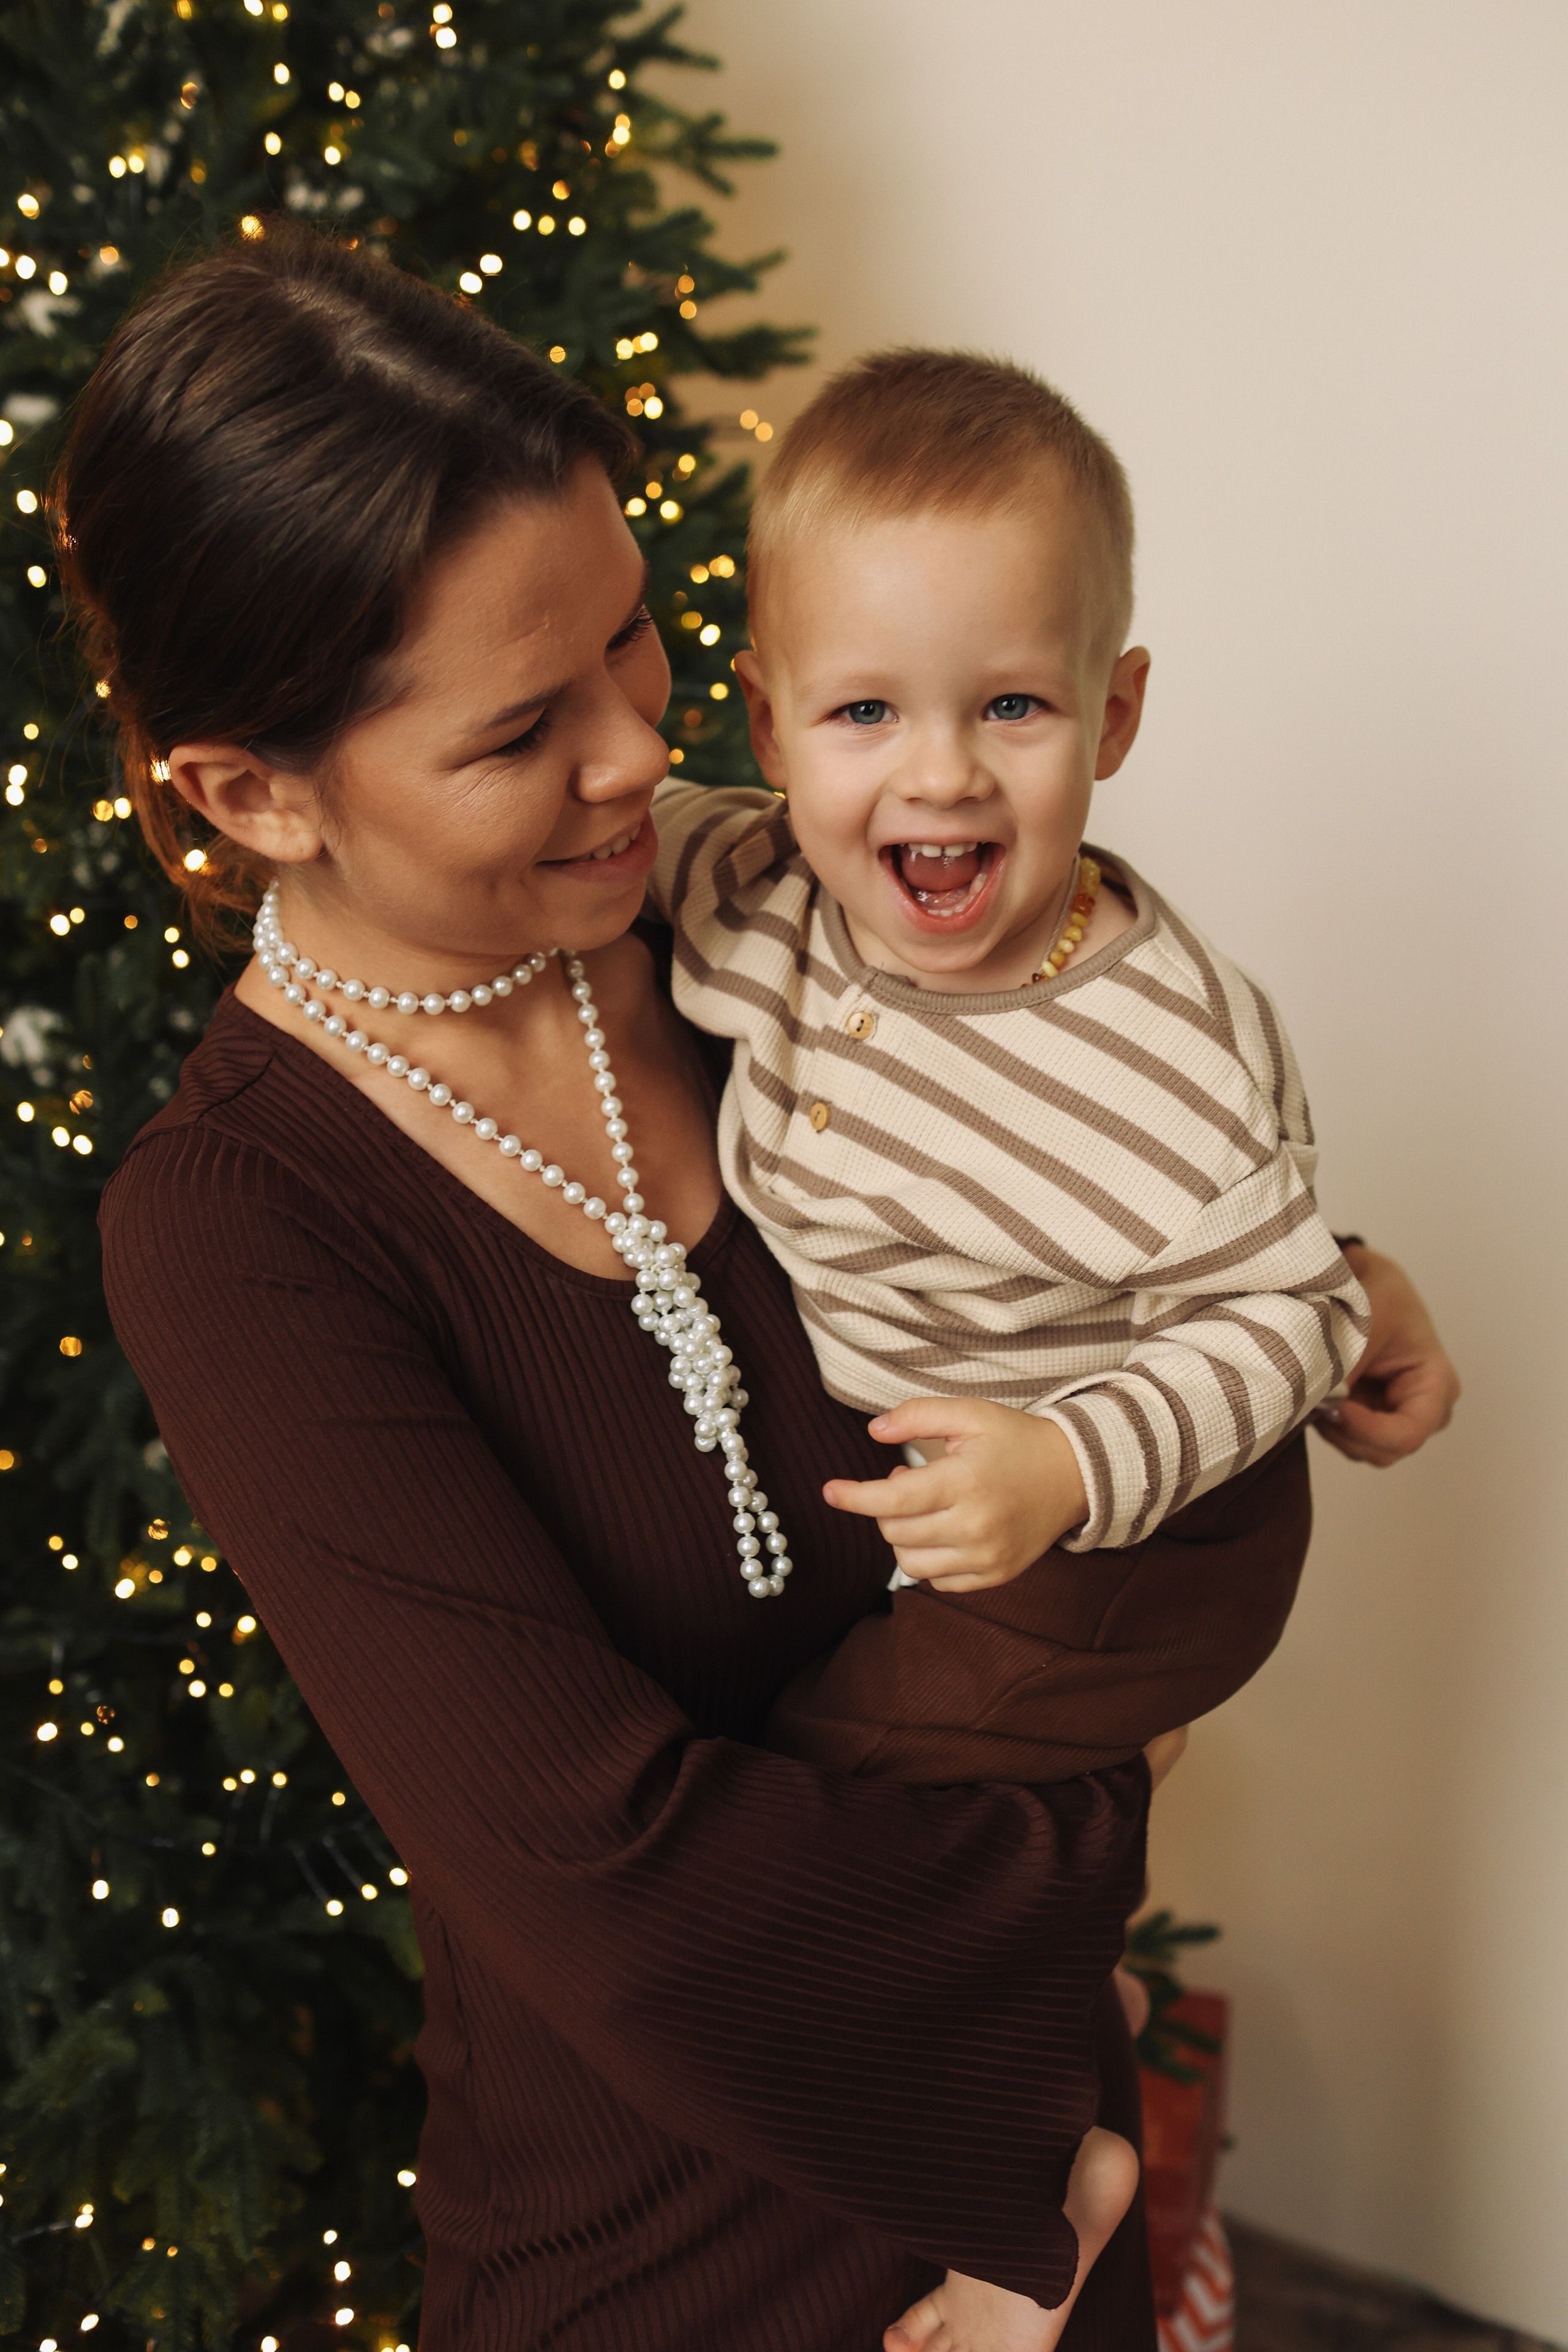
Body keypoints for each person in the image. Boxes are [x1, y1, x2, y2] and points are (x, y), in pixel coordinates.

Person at [75, 230, 1457, 2352]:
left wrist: (1327, 1286)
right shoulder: (244, 1226)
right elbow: (626, 1907)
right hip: (673, 2256)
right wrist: (1111, 1805)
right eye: (523, 729)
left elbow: (1092, 1199)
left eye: (638, 638)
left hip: (1039, 2204)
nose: (640, 753)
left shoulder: (768, 918)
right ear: (255, 793)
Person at [638, 349, 1403, 2351]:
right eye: (866, 712)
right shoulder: (756, 891)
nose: (941, 777)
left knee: (836, 1801)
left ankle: (1037, 2190)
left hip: (1147, 1530)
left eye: (1011, 707)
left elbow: (1296, 1312)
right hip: (984, 1506)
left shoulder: (1165, 1043)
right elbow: (591, 846)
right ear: (770, 727)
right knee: (871, 1802)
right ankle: (1085, 2000)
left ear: (1114, 713)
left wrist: (1073, 1468)